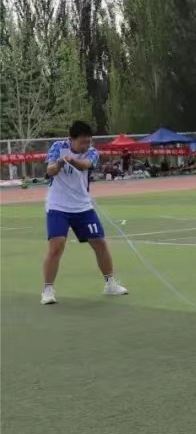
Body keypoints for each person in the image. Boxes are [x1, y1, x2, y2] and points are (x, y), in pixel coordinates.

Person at [40, 121, 129, 305]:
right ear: (71, 139)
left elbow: (86, 164)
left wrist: (73, 161)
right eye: (82, 142)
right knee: (56, 246)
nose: (86, 145)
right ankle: (47, 290)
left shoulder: (92, 152)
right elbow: (50, 170)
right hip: (58, 206)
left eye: (88, 141)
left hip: (82, 206)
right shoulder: (58, 147)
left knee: (100, 243)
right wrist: (60, 163)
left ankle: (110, 284)